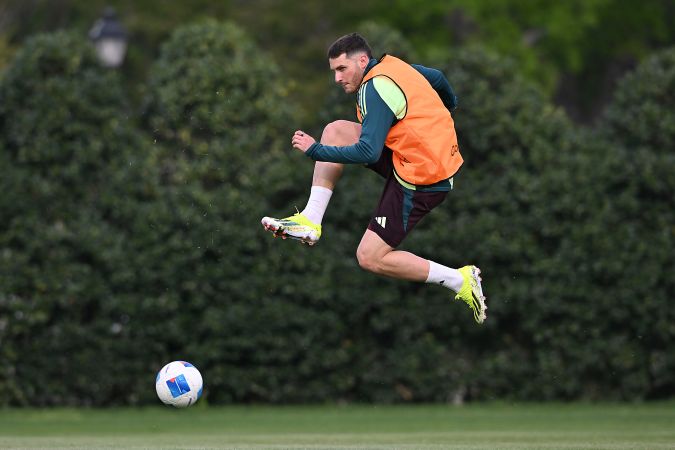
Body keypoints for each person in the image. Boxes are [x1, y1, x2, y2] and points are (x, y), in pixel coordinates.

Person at [261, 33, 487, 324]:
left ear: (363, 60)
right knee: (336, 131)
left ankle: (459, 279)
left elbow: (368, 152)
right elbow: (440, 78)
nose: (337, 78)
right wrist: (448, 109)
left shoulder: (373, 89)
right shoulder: (396, 67)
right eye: (334, 71)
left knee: (370, 257)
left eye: (342, 69)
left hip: (423, 181)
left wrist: (314, 150)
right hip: (420, 160)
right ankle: (311, 220)